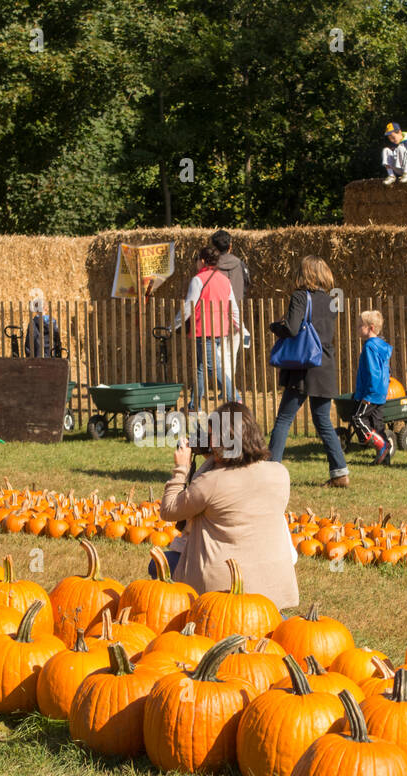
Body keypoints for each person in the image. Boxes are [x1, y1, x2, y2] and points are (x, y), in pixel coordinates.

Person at [160, 401, 298, 609]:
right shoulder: (280, 473)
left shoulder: (210, 482)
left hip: (223, 593)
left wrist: (181, 468)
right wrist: (215, 458)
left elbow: (169, 510)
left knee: (158, 564)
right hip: (273, 590)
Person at [267, 255, 349, 487]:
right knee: (323, 420)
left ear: (305, 274)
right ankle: (340, 472)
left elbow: (293, 329)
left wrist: (275, 327)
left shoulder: (300, 296)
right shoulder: (331, 300)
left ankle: (271, 473)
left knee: (284, 419)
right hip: (325, 363)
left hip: (304, 367)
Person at [179, 245, 241, 409]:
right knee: (201, 368)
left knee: (213, 367)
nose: (197, 263)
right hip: (220, 330)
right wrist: (239, 325)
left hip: (203, 330)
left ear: (203, 261)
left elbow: (188, 307)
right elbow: (233, 306)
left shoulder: (198, 280)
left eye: (198, 260)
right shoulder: (224, 280)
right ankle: (194, 405)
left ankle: (235, 397)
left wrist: (173, 326)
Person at [210, 229, 252, 391]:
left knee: (217, 355)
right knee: (230, 354)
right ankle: (228, 388)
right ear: (231, 246)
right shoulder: (241, 265)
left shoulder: (211, 267)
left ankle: (226, 389)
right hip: (235, 314)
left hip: (216, 315)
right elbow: (246, 286)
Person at [351, 309, 394, 466]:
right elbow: (385, 371)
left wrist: (368, 394)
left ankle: (382, 445)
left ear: (370, 328)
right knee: (378, 425)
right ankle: (385, 459)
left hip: (371, 392)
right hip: (380, 391)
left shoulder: (369, 347)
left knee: (358, 418)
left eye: (359, 325)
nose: (357, 328)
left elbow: (373, 372)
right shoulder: (381, 346)